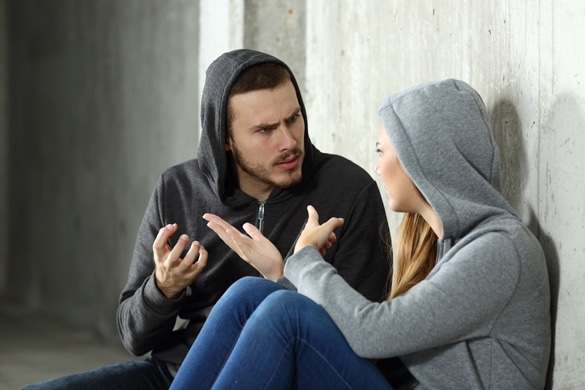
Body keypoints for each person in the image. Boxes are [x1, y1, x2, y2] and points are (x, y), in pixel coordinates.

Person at [21, 50, 390, 389]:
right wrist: (163, 288)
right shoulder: (178, 189)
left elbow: (357, 340)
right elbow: (133, 337)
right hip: (185, 372)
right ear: (224, 138)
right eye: (265, 130)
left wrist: (292, 276)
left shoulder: (347, 190)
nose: (289, 141)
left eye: (293, 119)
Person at [169, 79, 552, 389]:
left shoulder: (499, 249)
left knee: (287, 315)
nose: (378, 167)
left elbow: (372, 334)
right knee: (249, 294)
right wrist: (284, 274)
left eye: (382, 151)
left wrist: (304, 262)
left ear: (424, 161)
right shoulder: (450, 245)